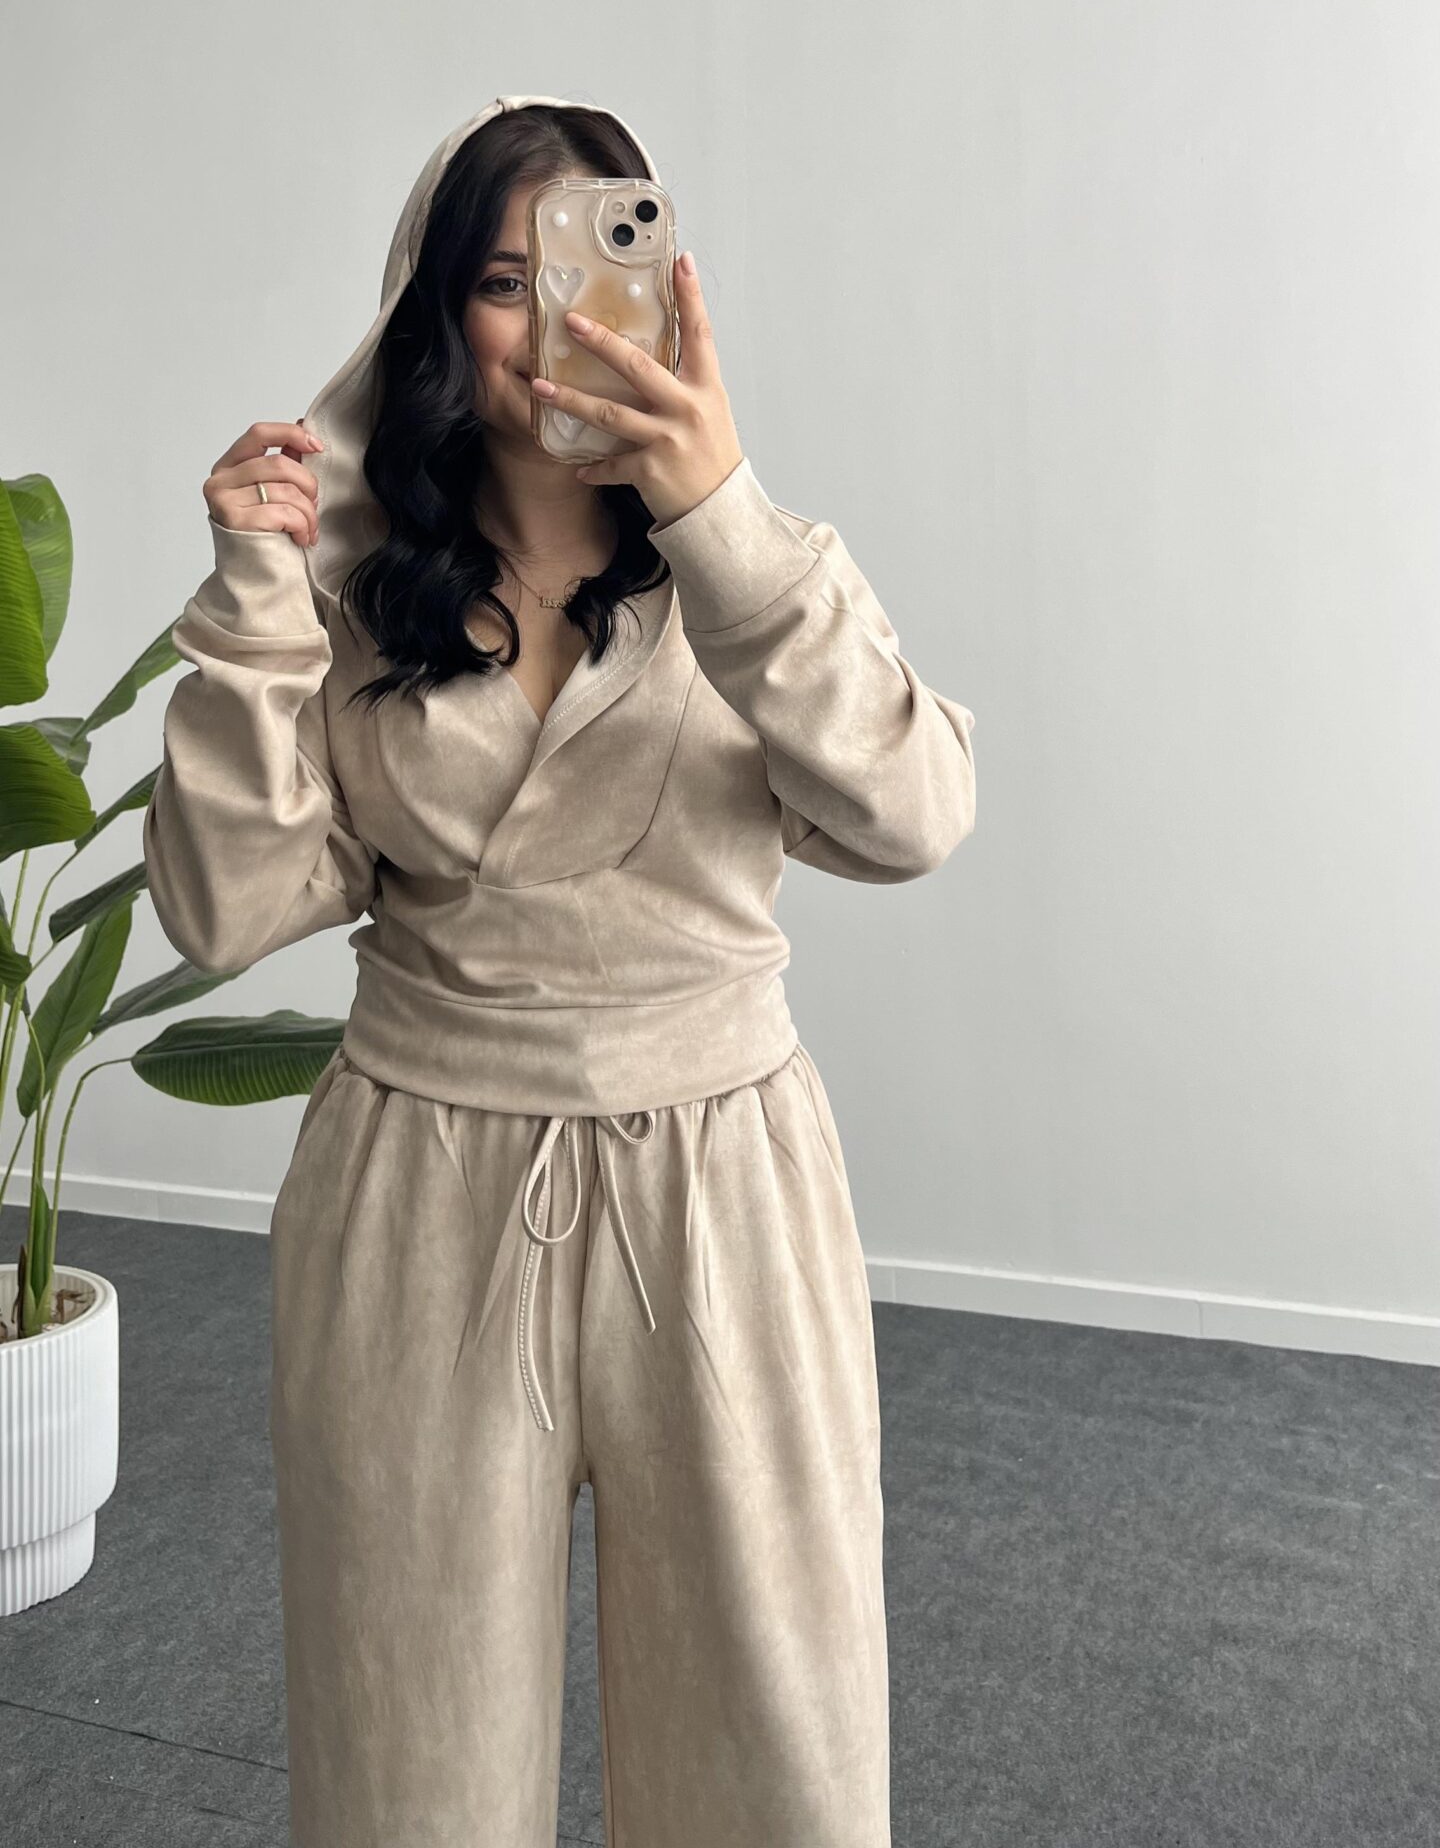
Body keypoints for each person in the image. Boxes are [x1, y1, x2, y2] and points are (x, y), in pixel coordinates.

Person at [142, 95, 978, 1848]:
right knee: (409, 1752)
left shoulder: (754, 578)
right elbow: (224, 911)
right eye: (503, 284)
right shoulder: (363, 605)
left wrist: (720, 510)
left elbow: (914, 815)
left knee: (779, 1751)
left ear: (662, 290)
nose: (549, 327)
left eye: (592, 271)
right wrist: (253, 597)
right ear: (436, 316)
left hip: (722, 1186)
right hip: (419, 1186)